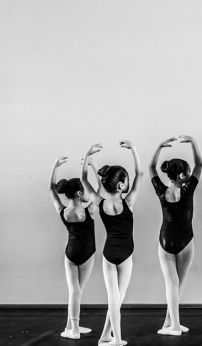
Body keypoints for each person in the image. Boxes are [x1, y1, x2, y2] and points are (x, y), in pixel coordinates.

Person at [80, 141, 144, 346]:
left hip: (109, 254)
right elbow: (140, 174)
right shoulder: (129, 202)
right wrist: (134, 148)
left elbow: (83, 180)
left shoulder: (100, 203)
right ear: (121, 185)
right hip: (126, 254)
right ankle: (116, 340)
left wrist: (88, 157)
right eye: (125, 180)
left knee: (113, 298)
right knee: (118, 298)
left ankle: (105, 336)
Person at [149, 135, 202, 336]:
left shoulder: (162, 191)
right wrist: (193, 142)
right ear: (182, 176)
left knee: (173, 285)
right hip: (185, 241)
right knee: (176, 284)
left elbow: (151, 168)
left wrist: (159, 146)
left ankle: (169, 322)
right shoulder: (188, 190)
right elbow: (200, 163)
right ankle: (175, 326)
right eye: (187, 171)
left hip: (165, 241)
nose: (191, 173)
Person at [49, 156, 101, 340]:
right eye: (85, 190)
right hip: (87, 253)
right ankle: (75, 330)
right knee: (77, 291)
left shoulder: (63, 211)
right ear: (80, 193)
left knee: (75, 291)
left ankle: (70, 325)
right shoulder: (89, 210)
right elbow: (100, 189)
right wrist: (94, 167)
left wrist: (55, 166)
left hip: (70, 253)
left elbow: (51, 189)